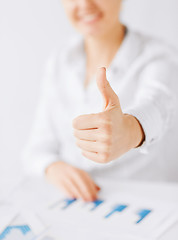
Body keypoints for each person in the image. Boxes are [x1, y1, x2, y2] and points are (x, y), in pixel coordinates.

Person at [22, 0, 178, 202]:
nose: (85, 4)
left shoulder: (160, 57)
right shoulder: (59, 61)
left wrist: (130, 131)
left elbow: (158, 104)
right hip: (75, 204)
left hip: (144, 205)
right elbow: (36, 149)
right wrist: (52, 167)